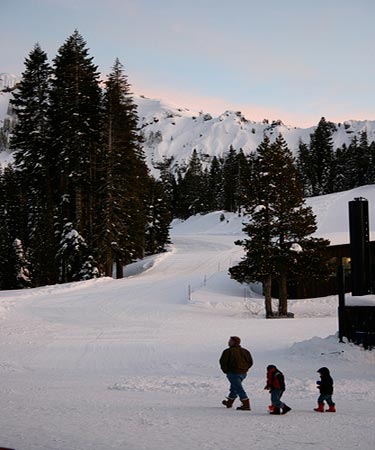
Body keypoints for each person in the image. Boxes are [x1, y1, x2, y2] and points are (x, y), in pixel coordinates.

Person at [219, 336, 253, 410]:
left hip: (233, 373)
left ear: (234, 342)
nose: (228, 342)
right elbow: (250, 362)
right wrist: (245, 369)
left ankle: (246, 404)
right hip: (243, 373)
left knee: (238, 388)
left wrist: (226, 371)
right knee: (234, 387)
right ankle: (229, 402)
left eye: (230, 341)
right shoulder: (245, 351)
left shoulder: (228, 351)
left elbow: (223, 362)